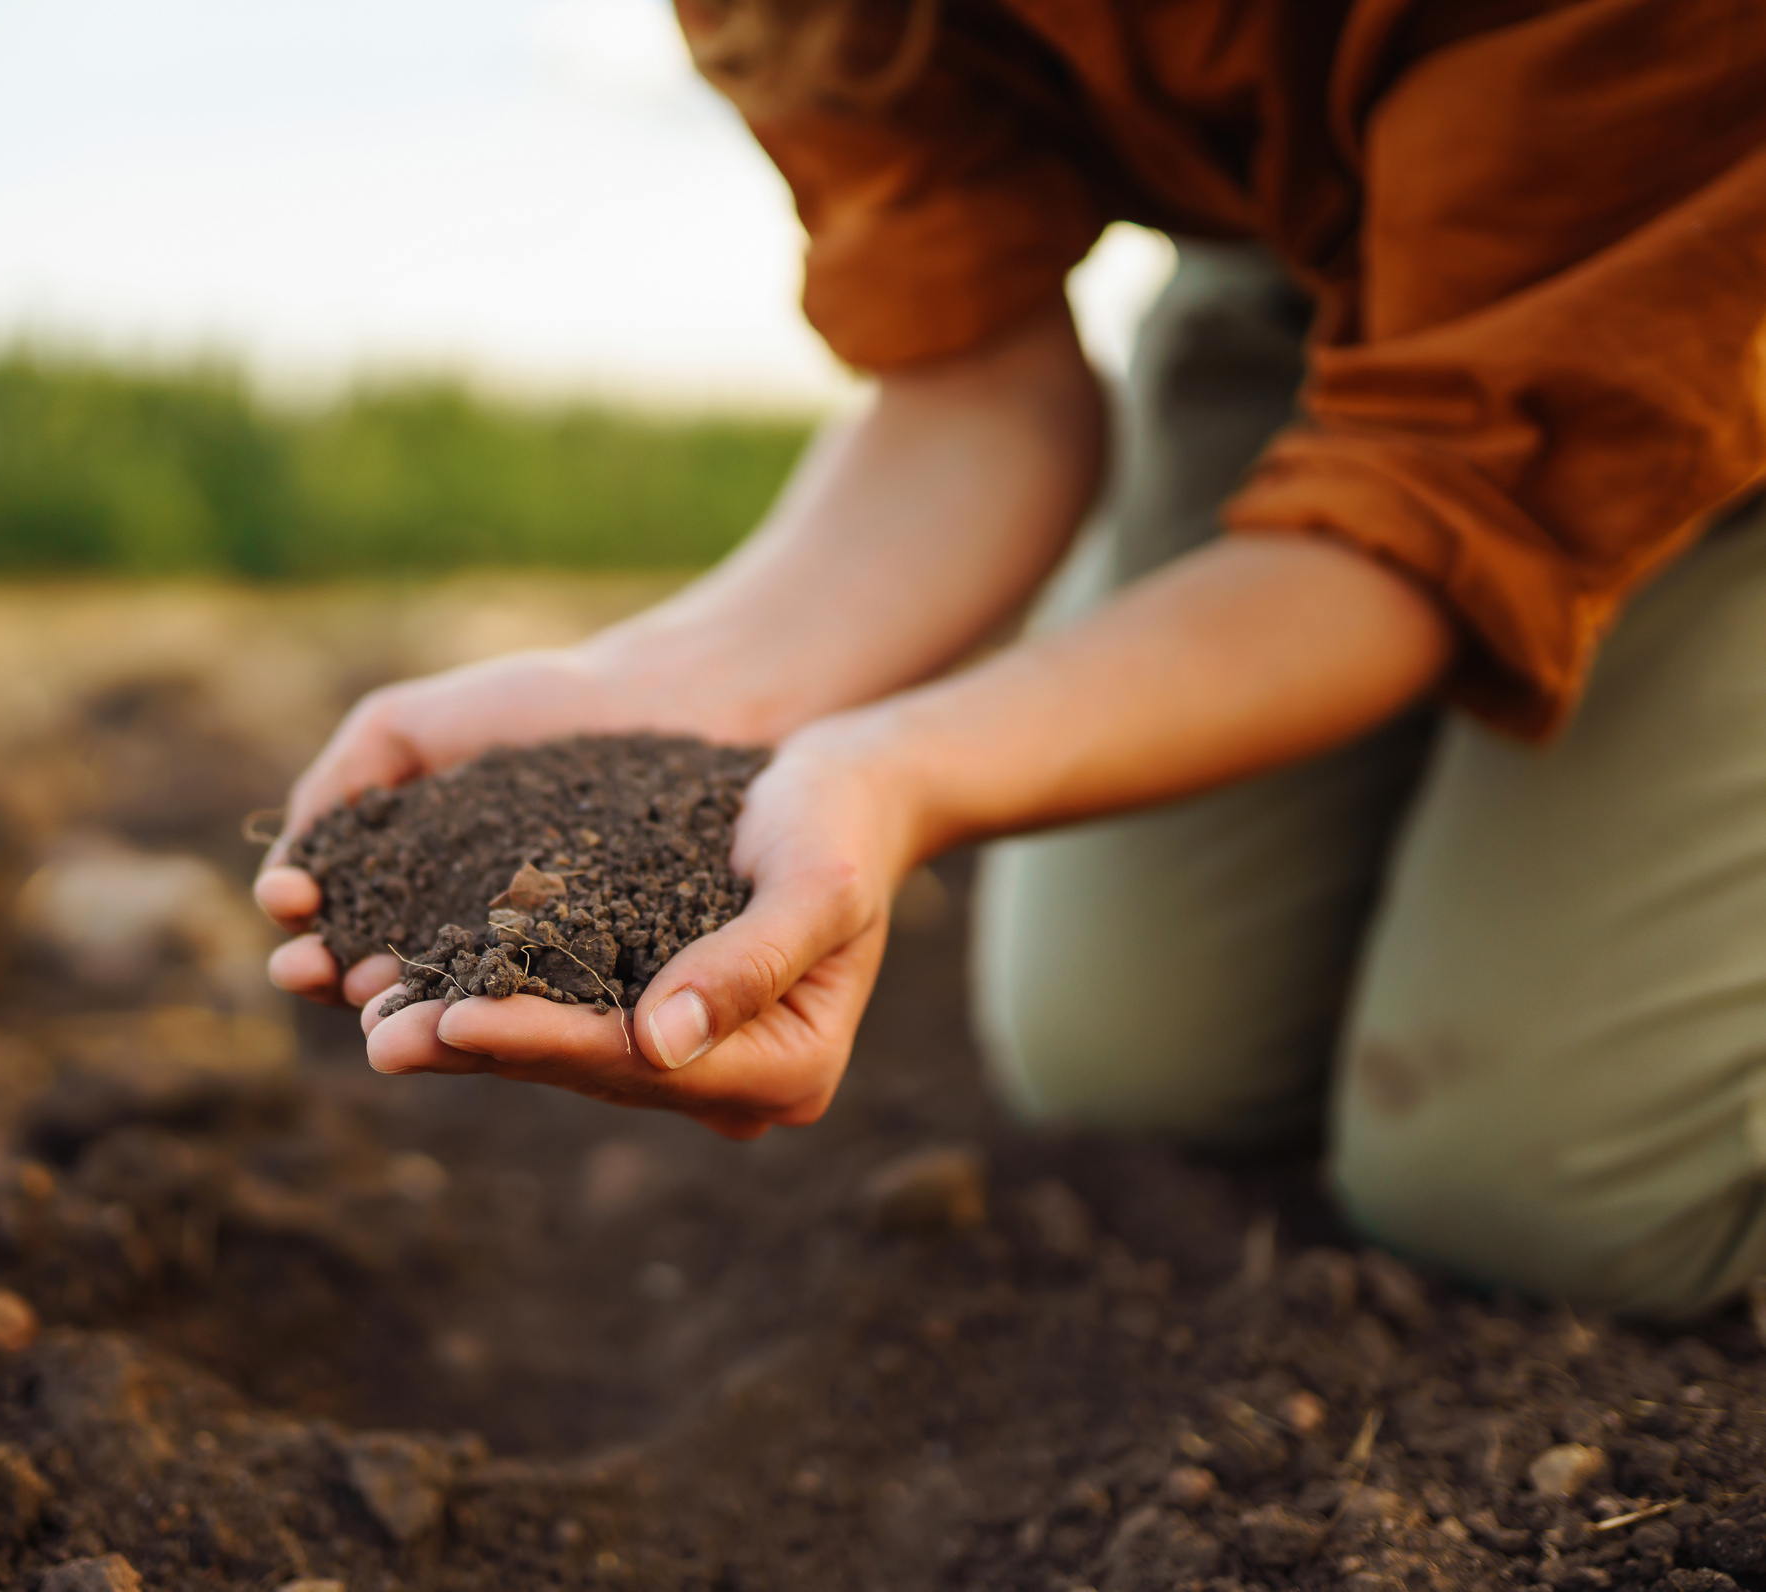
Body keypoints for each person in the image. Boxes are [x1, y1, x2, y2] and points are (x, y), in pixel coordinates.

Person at [256, 0, 1766, 1318]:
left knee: (1535, 1190)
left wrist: (905, 771)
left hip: (1705, 255)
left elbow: (1432, 503)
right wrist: (674, 696)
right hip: (1320, 267)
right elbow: (974, 386)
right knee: (1135, 1064)